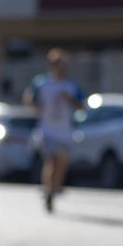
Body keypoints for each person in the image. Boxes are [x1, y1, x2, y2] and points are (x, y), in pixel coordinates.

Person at [24, 48, 85, 213]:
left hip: (65, 131)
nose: (59, 67)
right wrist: (36, 107)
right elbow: (29, 97)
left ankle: (53, 189)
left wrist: (69, 99)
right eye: (56, 64)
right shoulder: (42, 83)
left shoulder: (71, 86)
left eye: (62, 64)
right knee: (50, 161)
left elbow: (82, 105)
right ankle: (48, 190)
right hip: (47, 130)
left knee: (62, 163)